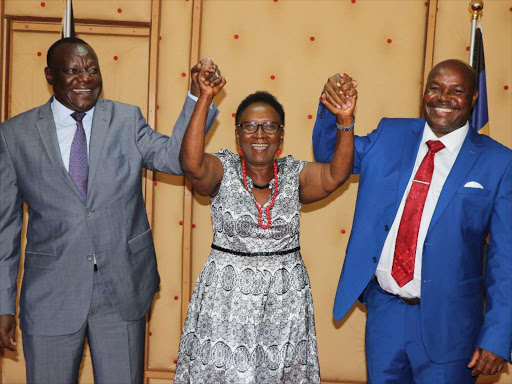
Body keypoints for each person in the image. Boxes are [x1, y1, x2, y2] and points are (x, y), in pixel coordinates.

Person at [0, 37, 223, 383]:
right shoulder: (14, 135)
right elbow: (5, 228)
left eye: (91, 70)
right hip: (50, 295)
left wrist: (198, 97)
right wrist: (2, 303)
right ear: (49, 75)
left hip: (122, 288)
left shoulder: (125, 119)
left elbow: (174, 159)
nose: (85, 79)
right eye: (72, 71)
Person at [312, 59, 512, 383]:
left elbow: (506, 260)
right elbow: (330, 157)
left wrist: (497, 336)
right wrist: (338, 116)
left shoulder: (499, 162)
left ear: (474, 98)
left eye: (456, 91)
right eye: (435, 88)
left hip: (451, 324)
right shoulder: (390, 134)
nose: (443, 97)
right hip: (385, 313)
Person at [173, 66, 356, 383]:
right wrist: (205, 96)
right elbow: (191, 163)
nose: (260, 135)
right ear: (237, 134)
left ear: (281, 135)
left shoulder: (294, 174)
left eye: (270, 127)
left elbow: (336, 175)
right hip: (225, 299)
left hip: (284, 302)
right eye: (250, 127)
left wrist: (344, 121)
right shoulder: (222, 168)